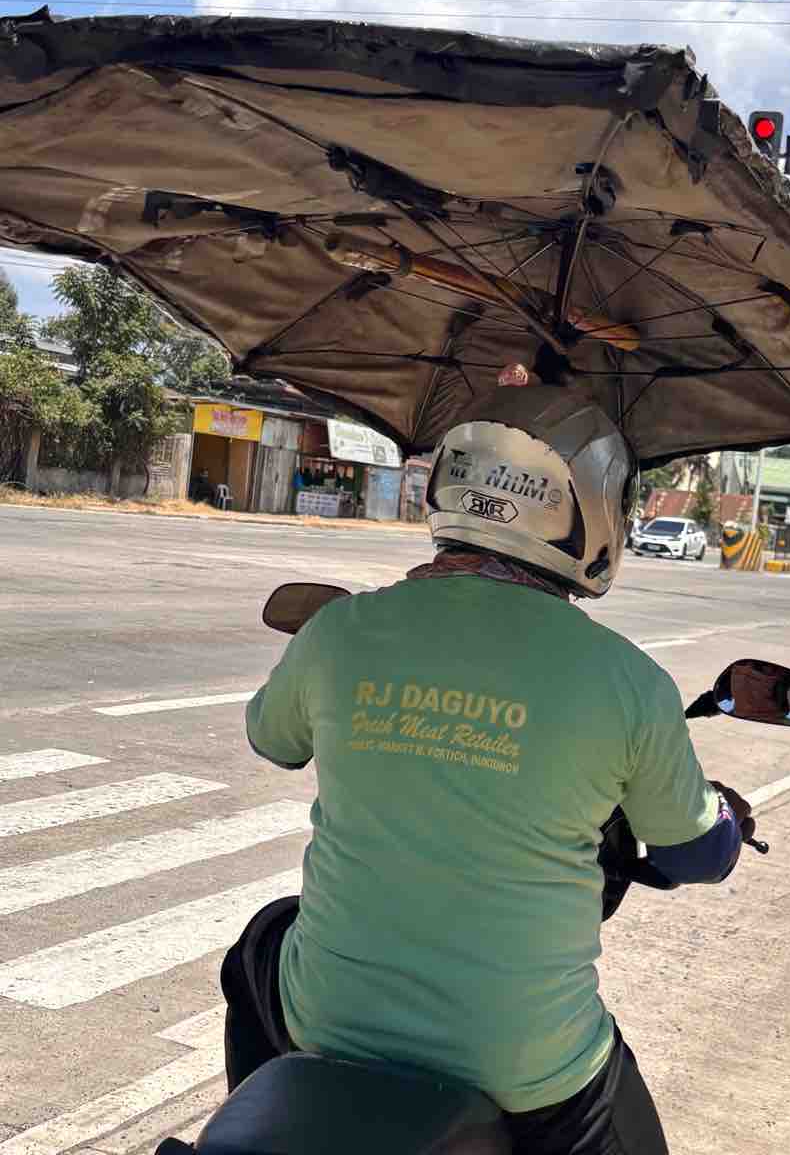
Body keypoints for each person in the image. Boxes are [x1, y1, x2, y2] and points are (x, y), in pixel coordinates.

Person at [222, 386, 754, 1154]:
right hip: (527, 1066)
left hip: (325, 1019)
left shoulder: (342, 630)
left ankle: (268, 1114)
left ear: (448, 485)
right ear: (593, 510)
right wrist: (729, 819)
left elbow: (270, 739)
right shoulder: (629, 681)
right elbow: (696, 855)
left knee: (260, 945)